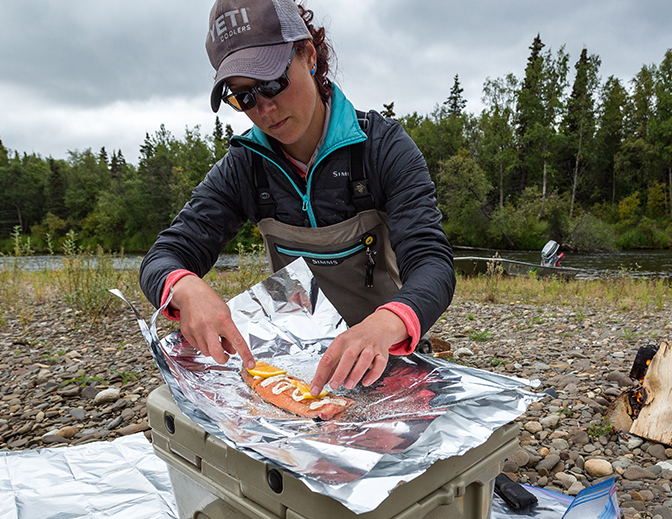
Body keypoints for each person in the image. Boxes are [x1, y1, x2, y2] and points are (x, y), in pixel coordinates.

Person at [139, 0, 455, 395]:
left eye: (272, 83)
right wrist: (184, 287)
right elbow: (163, 257)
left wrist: (386, 322)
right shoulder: (245, 167)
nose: (266, 109)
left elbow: (433, 264)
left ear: (307, 54)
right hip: (297, 365)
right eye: (245, 97)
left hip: (389, 352)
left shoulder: (383, 148)